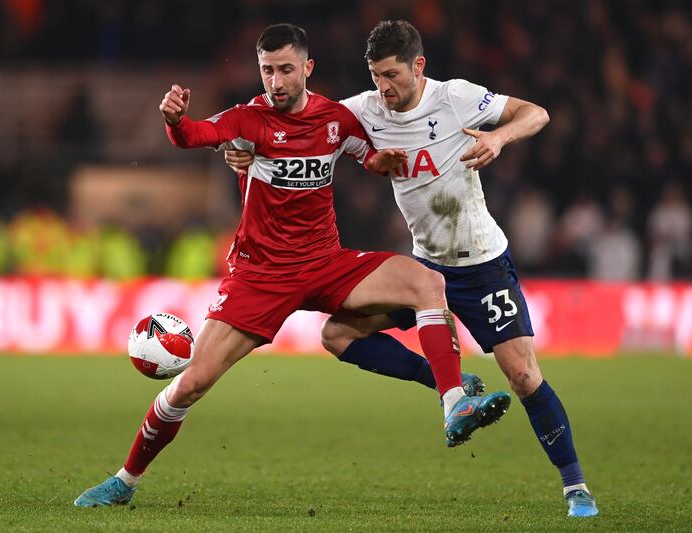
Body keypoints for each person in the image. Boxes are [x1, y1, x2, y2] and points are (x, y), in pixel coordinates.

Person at [74, 23, 510, 508]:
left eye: (285, 70)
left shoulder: (336, 118)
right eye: (267, 71)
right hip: (261, 275)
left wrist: (381, 161)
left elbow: (366, 156)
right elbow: (195, 136)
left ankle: (453, 402)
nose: (275, 82)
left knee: (427, 280)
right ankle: (124, 480)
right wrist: (176, 120)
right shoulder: (247, 120)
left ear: (307, 68)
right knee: (190, 385)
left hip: (326, 262)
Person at [225, 20, 599, 519]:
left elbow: (537, 113)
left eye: (393, 75)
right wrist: (243, 150)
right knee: (337, 335)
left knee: (524, 375)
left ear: (418, 66)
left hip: (483, 266)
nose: (384, 88)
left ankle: (575, 486)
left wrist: (501, 138)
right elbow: (294, 126)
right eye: (376, 76)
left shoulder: (456, 98)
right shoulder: (364, 110)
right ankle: (450, 384)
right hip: (428, 272)